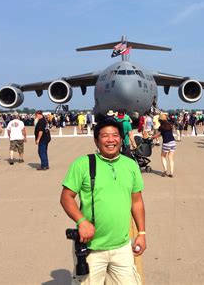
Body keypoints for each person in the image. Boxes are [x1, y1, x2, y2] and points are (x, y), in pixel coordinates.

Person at [60, 119, 145, 284]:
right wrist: (81, 221)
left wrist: (141, 233)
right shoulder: (83, 164)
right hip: (92, 248)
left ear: (121, 139)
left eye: (115, 135)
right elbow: (66, 197)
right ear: (96, 140)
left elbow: (137, 202)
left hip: (122, 247)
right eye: (105, 136)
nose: (111, 140)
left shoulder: (131, 165)